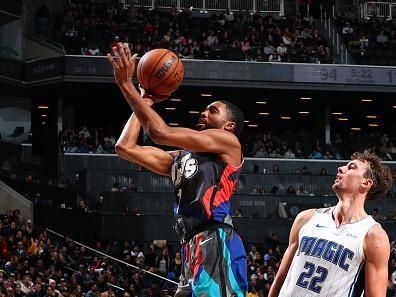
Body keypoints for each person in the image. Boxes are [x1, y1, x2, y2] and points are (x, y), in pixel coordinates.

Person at [107, 43, 247, 297]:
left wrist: (127, 87)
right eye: (205, 109)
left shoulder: (229, 144)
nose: (203, 112)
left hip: (216, 240)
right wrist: (145, 99)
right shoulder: (181, 158)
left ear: (229, 125)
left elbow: (160, 133)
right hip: (189, 245)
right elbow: (124, 147)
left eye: (212, 110)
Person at [269, 152, 393, 297]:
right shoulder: (306, 218)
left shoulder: (373, 236)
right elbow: (280, 279)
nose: (340, 168)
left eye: (351, 167)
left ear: (365, 183)